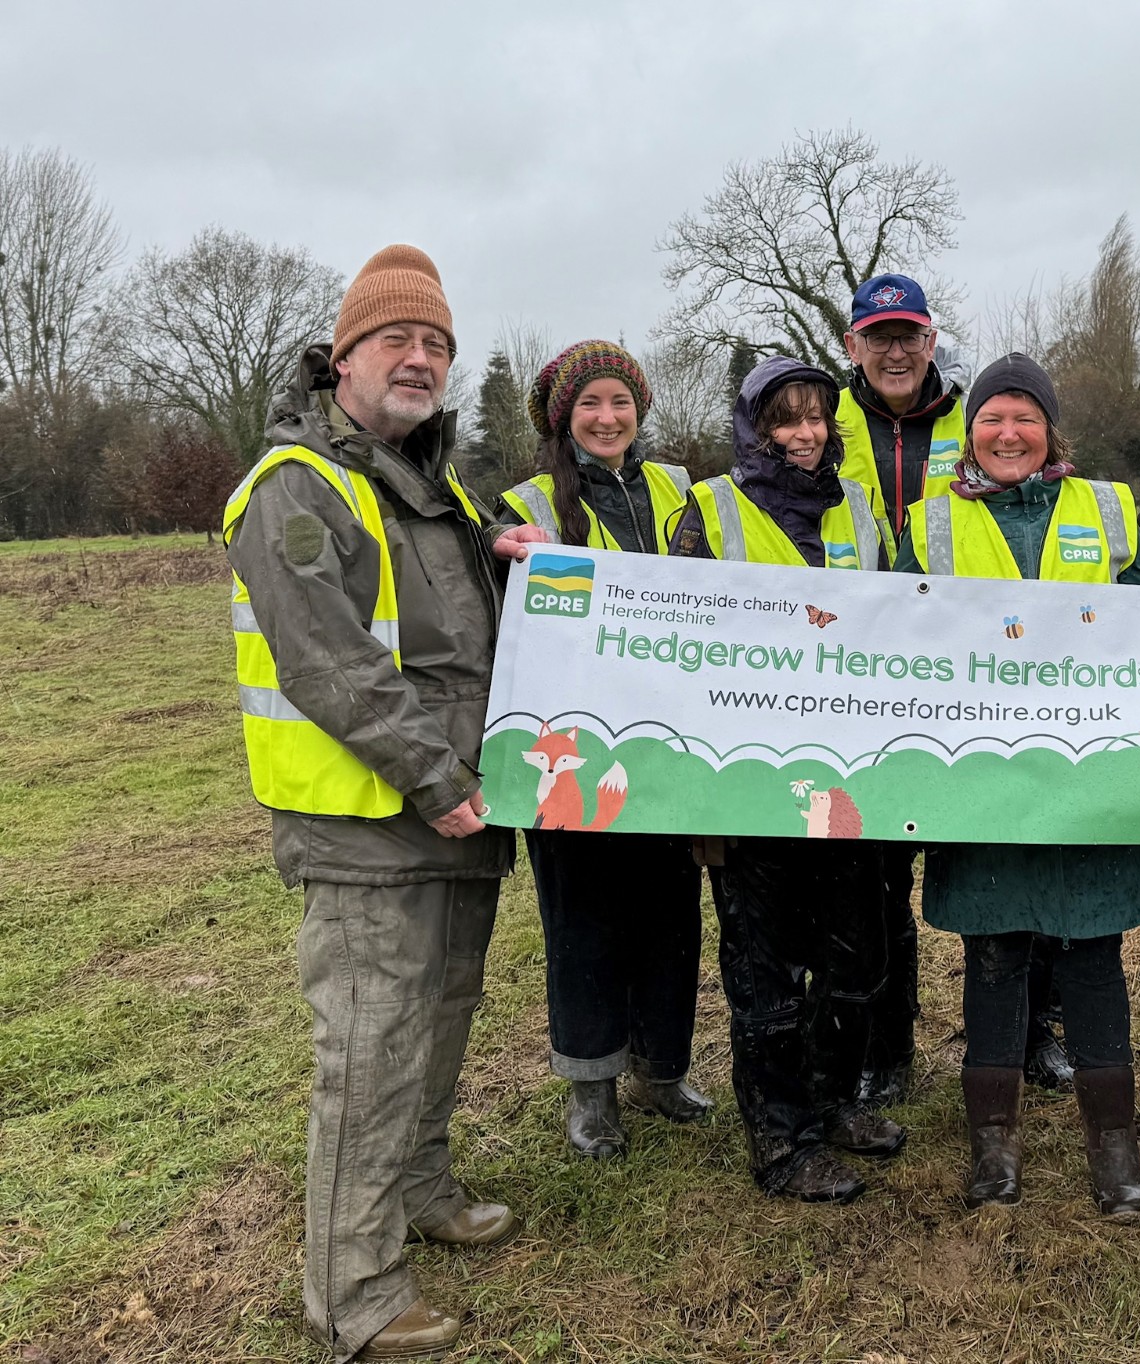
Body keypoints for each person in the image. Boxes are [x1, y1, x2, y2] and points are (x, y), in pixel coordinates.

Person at [224, 245, 547, 1360]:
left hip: (458, 818)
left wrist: (522, 567)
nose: (420, 359)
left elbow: (463, 641)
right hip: (372, 825)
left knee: (441, 1017)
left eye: (438, 344)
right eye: (396, 339)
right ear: (343, 355)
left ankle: (422, 1185)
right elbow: (332, 663)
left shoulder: (436, 486)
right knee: (368, 1047)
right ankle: (352, 1294)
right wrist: (437, 776)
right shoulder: (297, 488)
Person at [893, 353, 1140, 1219]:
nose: (1008, 433)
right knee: (994, 953)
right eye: (991, 419)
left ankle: (1114, 1149)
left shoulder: (1109, 509)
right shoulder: (925, 523)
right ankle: (995, 1151)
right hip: (979, 778)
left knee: (1093, 953)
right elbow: (895, 640)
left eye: (1025, 417)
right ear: (969, 433)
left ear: (1052, 431)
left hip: (1088, 780)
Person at [835, 275, 1077, 1100]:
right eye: (879, 335)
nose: (895, 350)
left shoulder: (982, 418)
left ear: (933, 341)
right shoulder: (816, 424)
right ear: (852, 345)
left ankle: (1032, 1030)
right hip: (873, 680)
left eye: (910, 335)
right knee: (877, 884)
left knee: (1022, 858)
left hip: (997, 686)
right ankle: (886, 1047)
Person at [669, 356, 901, 1202]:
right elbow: (676, 646)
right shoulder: (709, 510)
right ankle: (782, 1137)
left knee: (854, 953)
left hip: (849, 773)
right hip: (748, 781)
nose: (803, 435)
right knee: (766, 971)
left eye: (815, 418)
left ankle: (836, 1101)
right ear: (753, 428)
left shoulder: (862, 512)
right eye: (784, 420)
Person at [495, 339, 713, 1161]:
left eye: (620, 402)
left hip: (666, 738)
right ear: (564, 418)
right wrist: (497, 552)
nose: (607, 417)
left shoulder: (680, 489)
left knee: (668, 912)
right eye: (590, 404)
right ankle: (592, 1090)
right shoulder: (522, 503)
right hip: (569, 747)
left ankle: (663, 1070)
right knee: (583, 919)